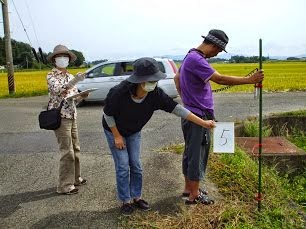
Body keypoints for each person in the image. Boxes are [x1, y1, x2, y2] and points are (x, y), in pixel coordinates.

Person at [102, 57, 216, 216]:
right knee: (122, 165)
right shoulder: (119, 92)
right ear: (139, 80)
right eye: (150, 80)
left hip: (134, 130)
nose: (153, 83)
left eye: (155, 79)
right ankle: (125, 201)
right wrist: (117, 136)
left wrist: (203, 123)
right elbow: (107, 114)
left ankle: (136, 197)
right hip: (114, 130)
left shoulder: (155, 94)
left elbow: (178, 109)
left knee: (136, 164)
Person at [174, 29, 265, 205]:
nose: (217, 54)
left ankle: (189, 188)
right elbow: (220, 79)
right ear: (213, 45)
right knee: (197, 154)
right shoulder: (196, 59)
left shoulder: (189, 55)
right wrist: (250, 80)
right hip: (200, 115)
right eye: (218, 51)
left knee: (190, 152)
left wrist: (187, 100)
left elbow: (177, 78)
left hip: (192, 112)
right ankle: (194, 195)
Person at [46, 44, 89, 195]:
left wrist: (81, 95)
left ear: (69, 60)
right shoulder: (51, 76)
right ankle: (64, 186)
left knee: (76, 148)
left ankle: (76, 178)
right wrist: (75, 81)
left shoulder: (70, 76)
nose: (63, 59)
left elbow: (72, 98)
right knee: (67, 152)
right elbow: (59, 91)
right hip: (60, 116)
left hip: (72, 114)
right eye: (60, 57)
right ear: (54, 60)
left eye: (65, 57)